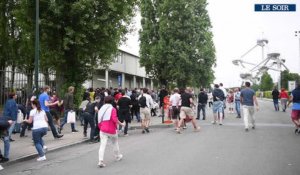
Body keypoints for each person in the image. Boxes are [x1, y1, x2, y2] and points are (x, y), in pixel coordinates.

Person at [98, 96, 125, 168]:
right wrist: (121, 124)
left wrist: (101, 128)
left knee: (102, 145)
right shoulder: (112, 109)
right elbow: (114, 119)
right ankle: (117, 156)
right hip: (111, 129)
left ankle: (100, 161)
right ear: (112, 101)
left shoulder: (101, 109)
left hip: (103, 129)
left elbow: (98, 120)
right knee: (115, 143)